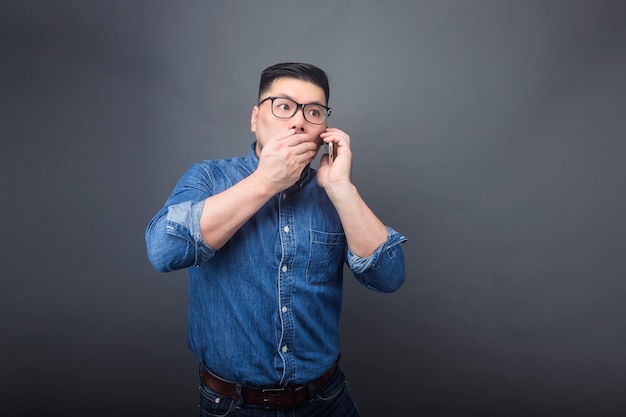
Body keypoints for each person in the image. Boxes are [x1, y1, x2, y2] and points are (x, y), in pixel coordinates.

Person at [145, 62, 407, 416]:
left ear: (324, 130)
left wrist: (342, 189)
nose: (298, 121)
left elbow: (389, 277)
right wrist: (266, 181)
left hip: (327, 402)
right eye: (284, 106)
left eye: (313, 112)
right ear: (255, 119)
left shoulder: (332, 193)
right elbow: (164, 250)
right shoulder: (209, 176)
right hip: (233, 406)